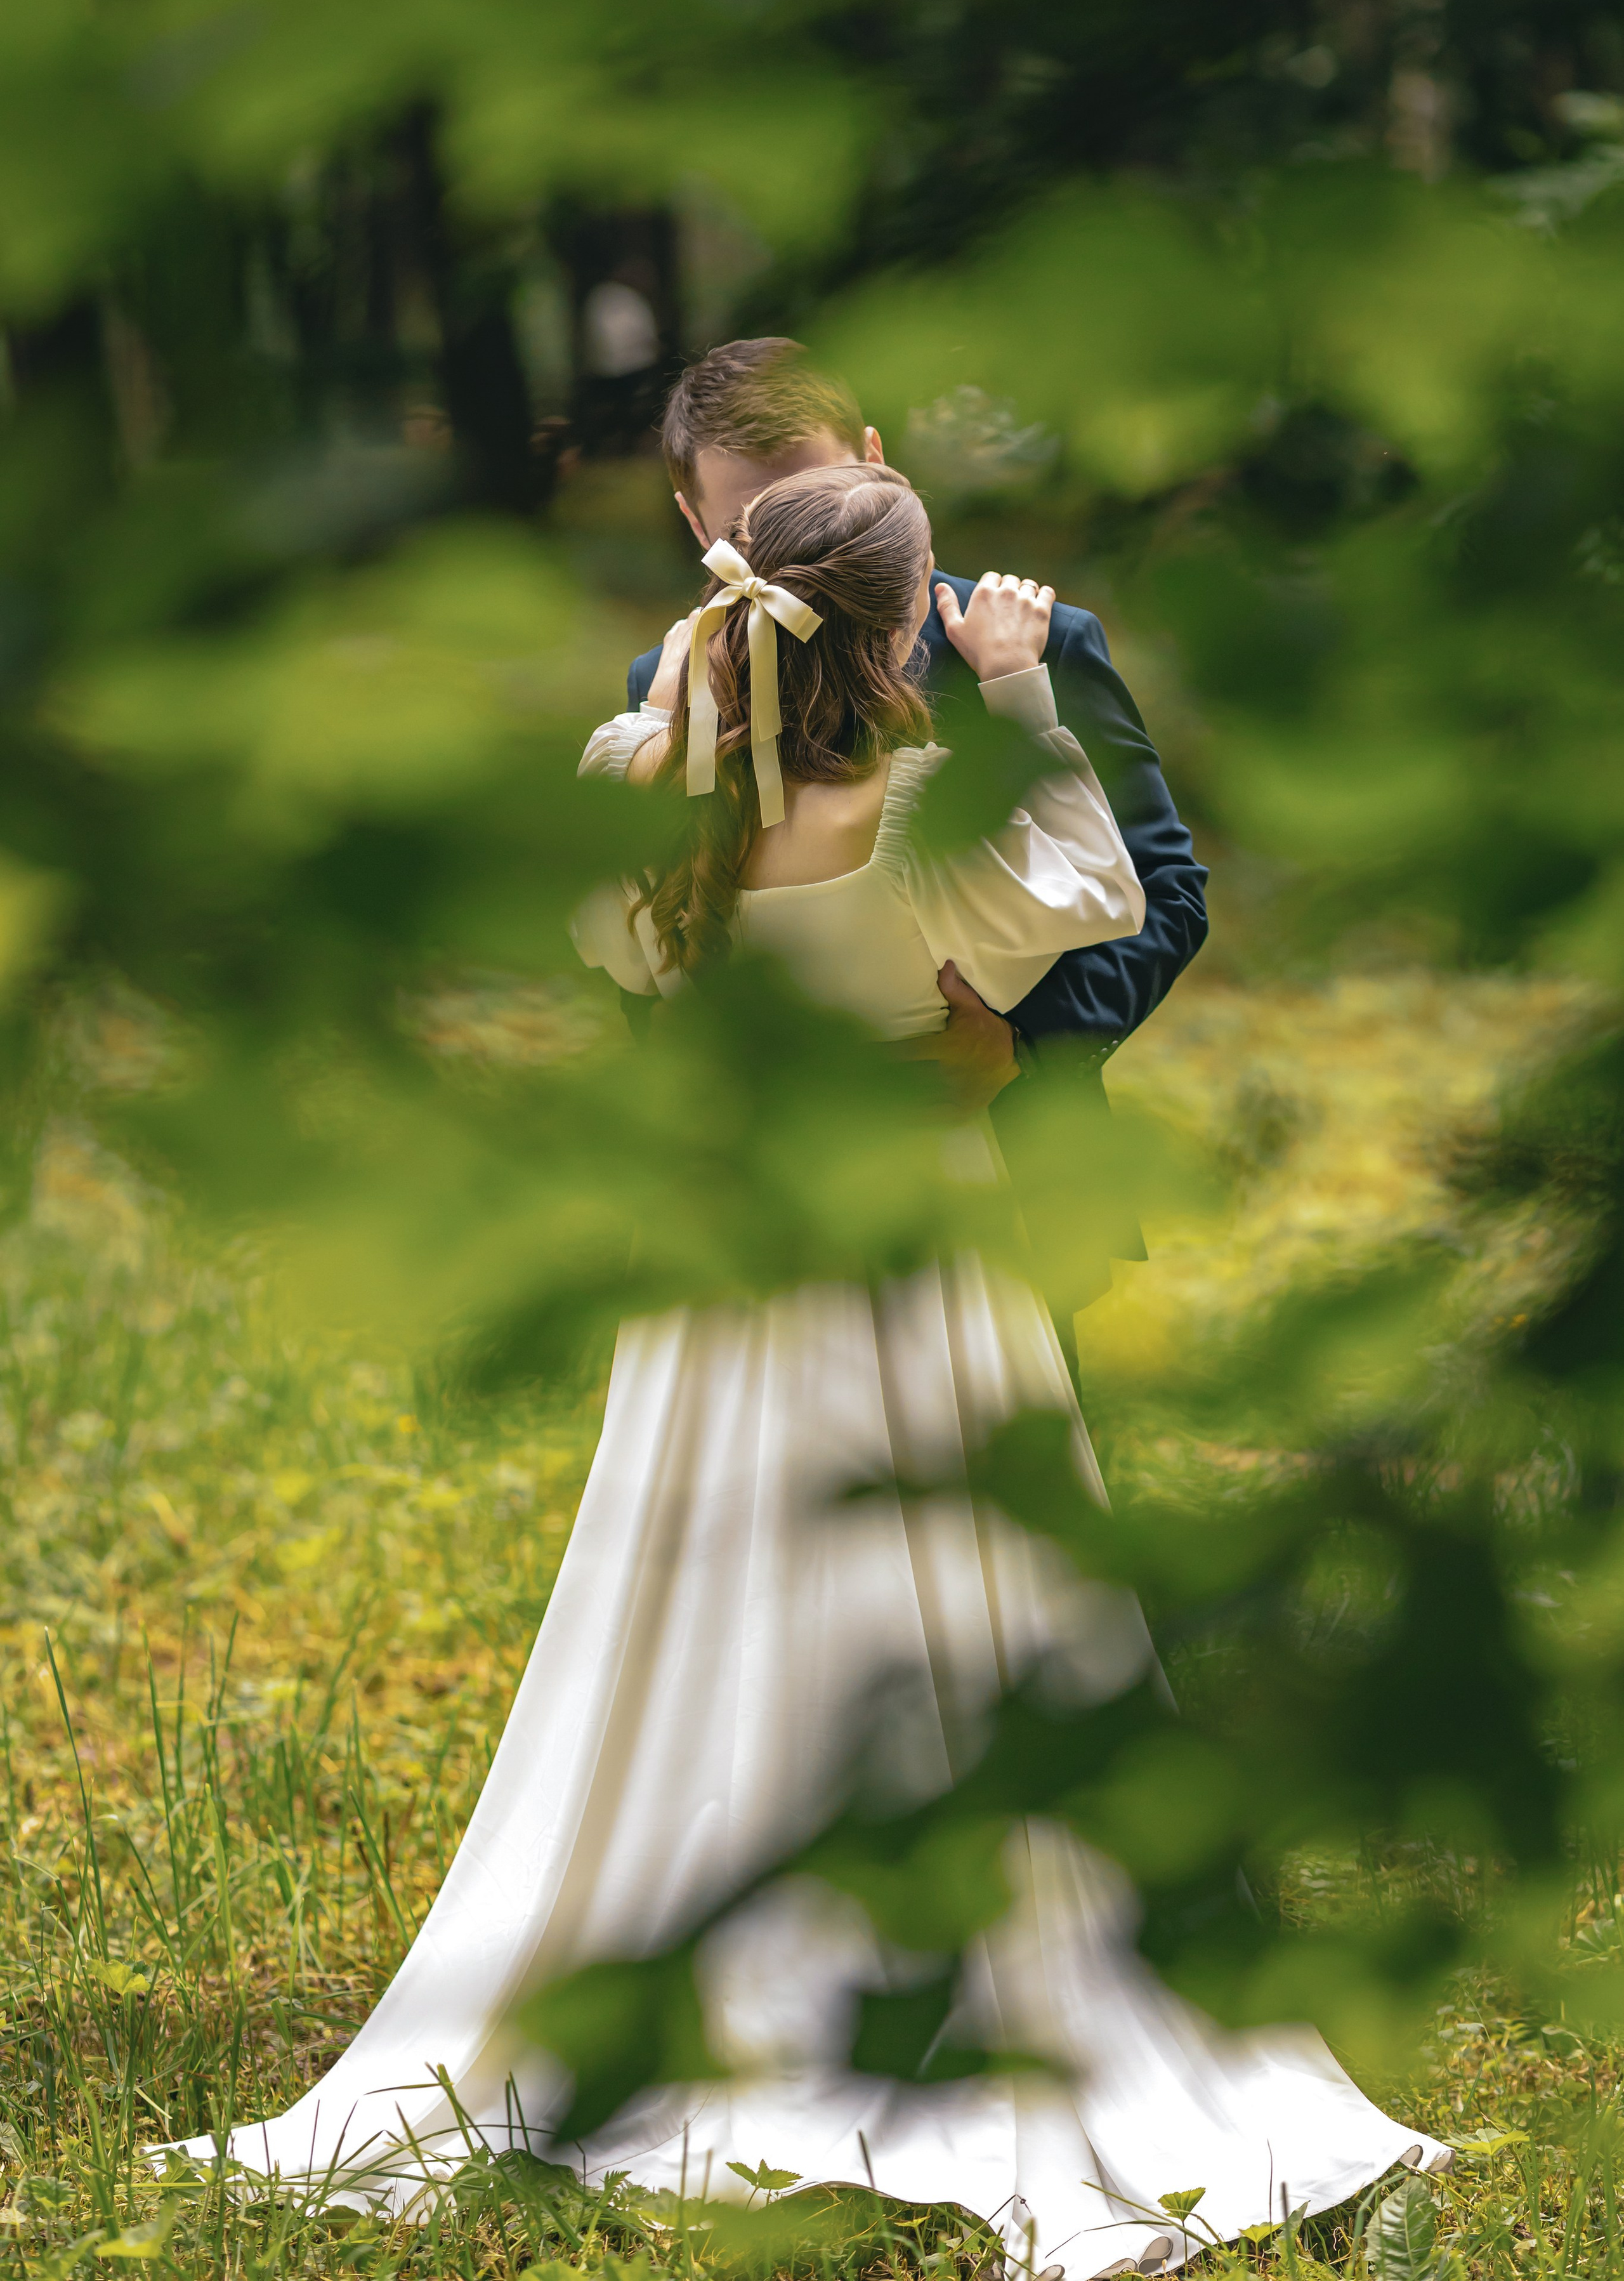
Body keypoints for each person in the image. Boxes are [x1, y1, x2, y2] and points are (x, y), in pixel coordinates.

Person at [171, 465, 1443, 2265]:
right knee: (958, 1573)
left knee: (708, 1572)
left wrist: (702, 699)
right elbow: (1086, 892)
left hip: (726, 1256)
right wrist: (1013, 686)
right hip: (914, 1231)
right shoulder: (925, 809)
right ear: (899, 625)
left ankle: (706, 1920)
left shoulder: (650, 780)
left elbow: (608, 948)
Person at [624, 338, 1210, 1314]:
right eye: (748, 523)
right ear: (694, 522)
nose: (797, 552)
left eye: (814, 493)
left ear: (876, 459)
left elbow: (1161, 892)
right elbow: (656, 922)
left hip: (1005, 1169)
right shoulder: (666, 688)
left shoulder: (1034, 644)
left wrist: (1016, 1048)